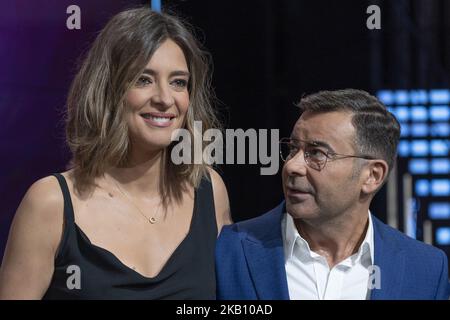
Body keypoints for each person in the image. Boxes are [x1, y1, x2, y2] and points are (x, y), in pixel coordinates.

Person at [0, 7, 231, 299]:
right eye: (143, 79)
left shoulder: (209, 191)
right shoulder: (50, 203)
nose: (164, 98)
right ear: (108, 89)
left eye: (178, 82)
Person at [215, 89, 449, 300]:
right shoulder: (230, 249)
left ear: (372, 176)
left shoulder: (426, 270)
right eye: (293, 149)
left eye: (317, 153)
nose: (291, 166)